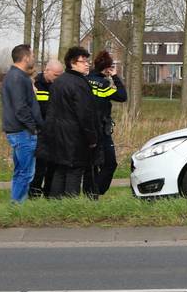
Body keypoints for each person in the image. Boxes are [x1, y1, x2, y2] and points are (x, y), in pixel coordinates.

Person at [38, 47, 99, 198]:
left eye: (87, 61)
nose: (87, 64)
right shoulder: (80, 84)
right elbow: (85, 114)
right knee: (74, 170)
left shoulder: (59, 82)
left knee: (60, 169)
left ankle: (55, 204)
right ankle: (71, 207)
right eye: (83, 61)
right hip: (75, 137)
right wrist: (92, 138)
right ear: (72, 63)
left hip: (57, 135)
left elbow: (51, 111)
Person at [1, 44, 42, 204]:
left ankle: (16, 203)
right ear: (25, 58)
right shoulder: (17, 78)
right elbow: (20, 108)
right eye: (32, 55)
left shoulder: (15, 76)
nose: (34, 58)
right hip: (22, 132)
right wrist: (33, 128)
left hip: (19, 131)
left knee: (21, 171)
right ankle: (17, 206)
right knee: (26, 172)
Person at [85, 50, 127, 196]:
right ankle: (95, 191)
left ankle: (90, 194)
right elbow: (122, 96)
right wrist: (115, 76)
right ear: (107, 67)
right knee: (110, 163)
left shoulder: (86, 80)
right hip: (102, 131)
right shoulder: (102, 84)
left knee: (92, 165)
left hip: (86, 129)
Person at [30, 59, 64, 198]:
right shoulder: (35, 85)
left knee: (53, 165)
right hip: (39, 132)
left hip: (56, 132)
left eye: (60, 75)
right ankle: (34, 194)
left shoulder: (60, 86)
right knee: (39, 166)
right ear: (47, 70)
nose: (58, 78)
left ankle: (49, 194)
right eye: (56, 75)